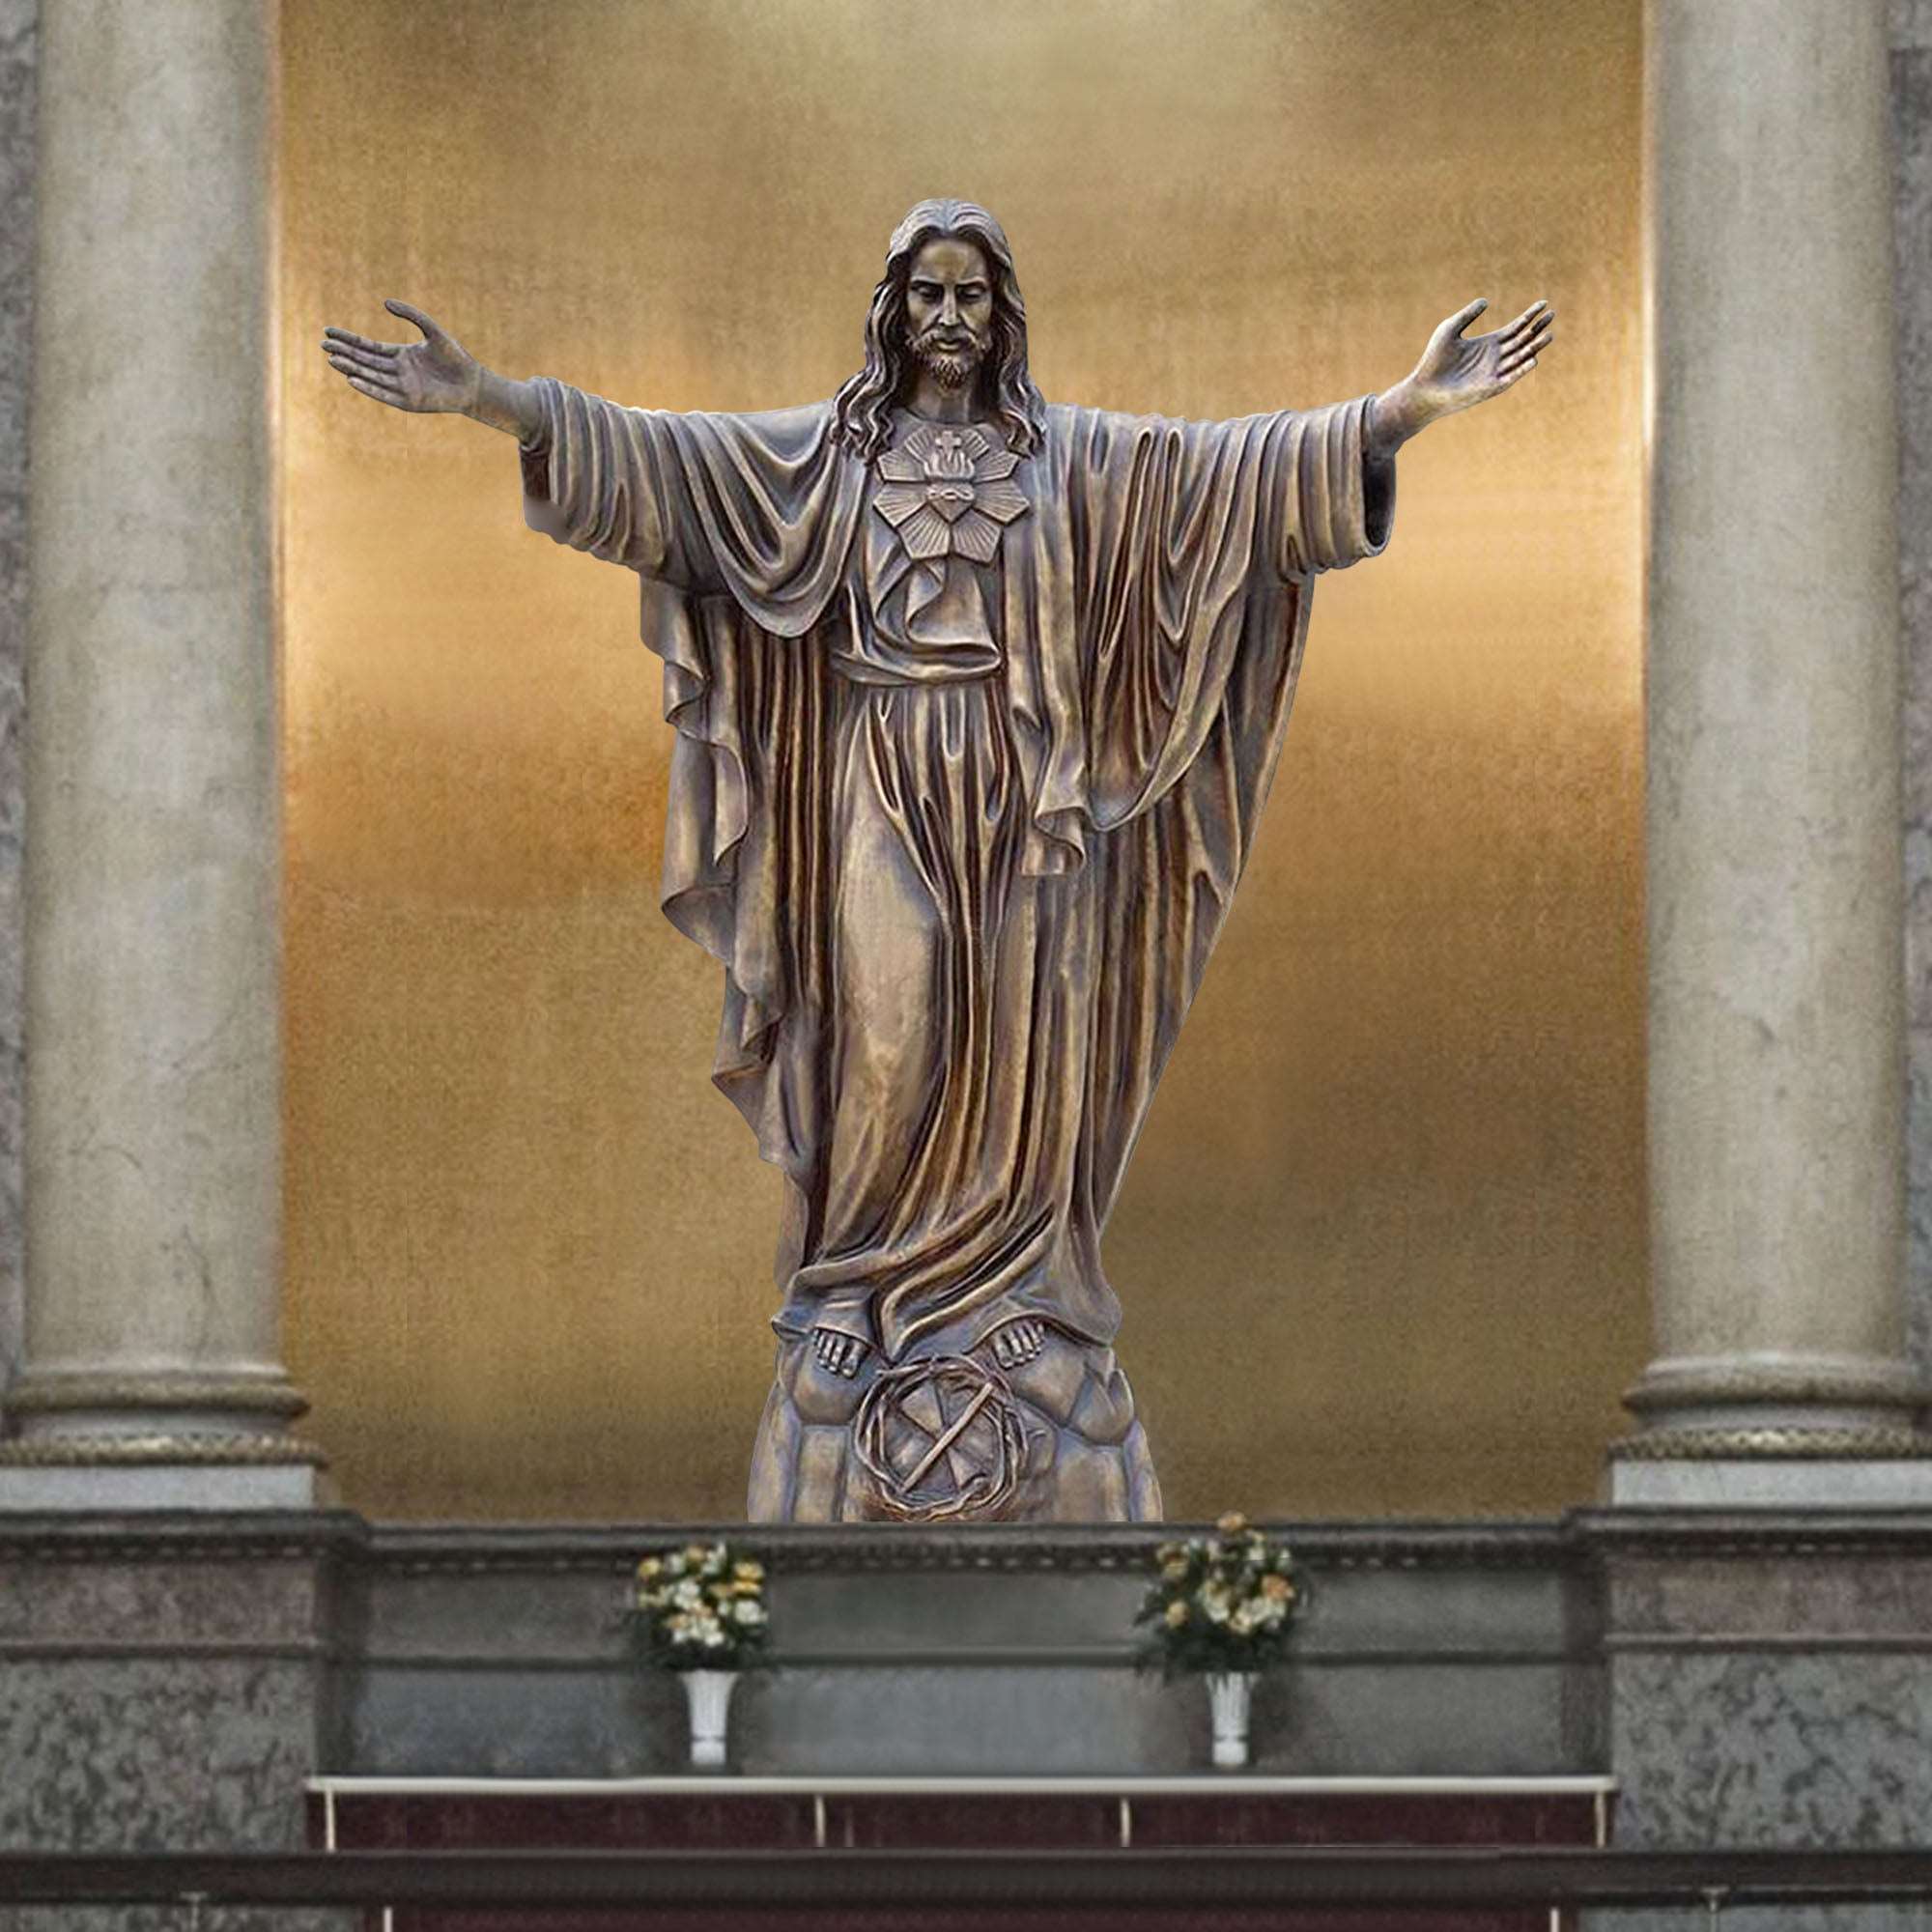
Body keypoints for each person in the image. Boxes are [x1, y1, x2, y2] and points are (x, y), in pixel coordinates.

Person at [323, 197, 1553, 1522]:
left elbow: (1231, 477)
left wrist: (1401, 411)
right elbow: (669, 464)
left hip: (1037, 799)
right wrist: (493, 399)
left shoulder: (1073, 461)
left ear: (1005, 312)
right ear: (891, 311)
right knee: (893, 1033)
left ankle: (1018, 1285)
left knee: (1029, 1046)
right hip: (882, 770)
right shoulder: (829, 461)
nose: (949, 320)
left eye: (971, 296)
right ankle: (856, 1282)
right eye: (927, 296)